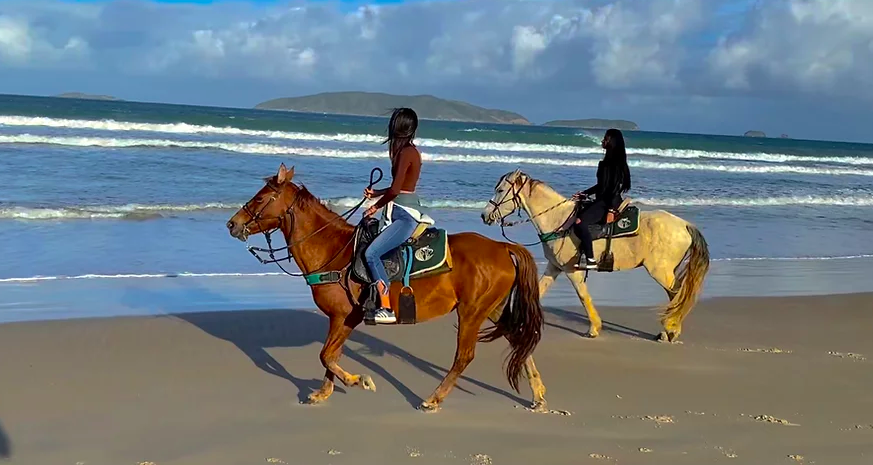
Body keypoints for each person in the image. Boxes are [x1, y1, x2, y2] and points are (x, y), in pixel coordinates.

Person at [361, 107, 431, 324]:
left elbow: (395, 190)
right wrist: (377, 193)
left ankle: (387, 308)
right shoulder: (409, 151)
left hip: (404, 215)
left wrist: (375, 206)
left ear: (397, 126)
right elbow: (398, 188)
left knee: (371, 254)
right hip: (402, 207)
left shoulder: (406, 153)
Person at [559, 128, 632, 270]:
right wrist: (585, 193)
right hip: (603, 199)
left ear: (612, 141)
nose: (602, 141)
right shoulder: (607, 161)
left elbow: (615, 188)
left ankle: (590, 259)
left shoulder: (615, 163)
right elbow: (602, 185)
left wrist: (611, 210)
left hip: (609, 201)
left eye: (606, 138)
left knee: (580, 222)